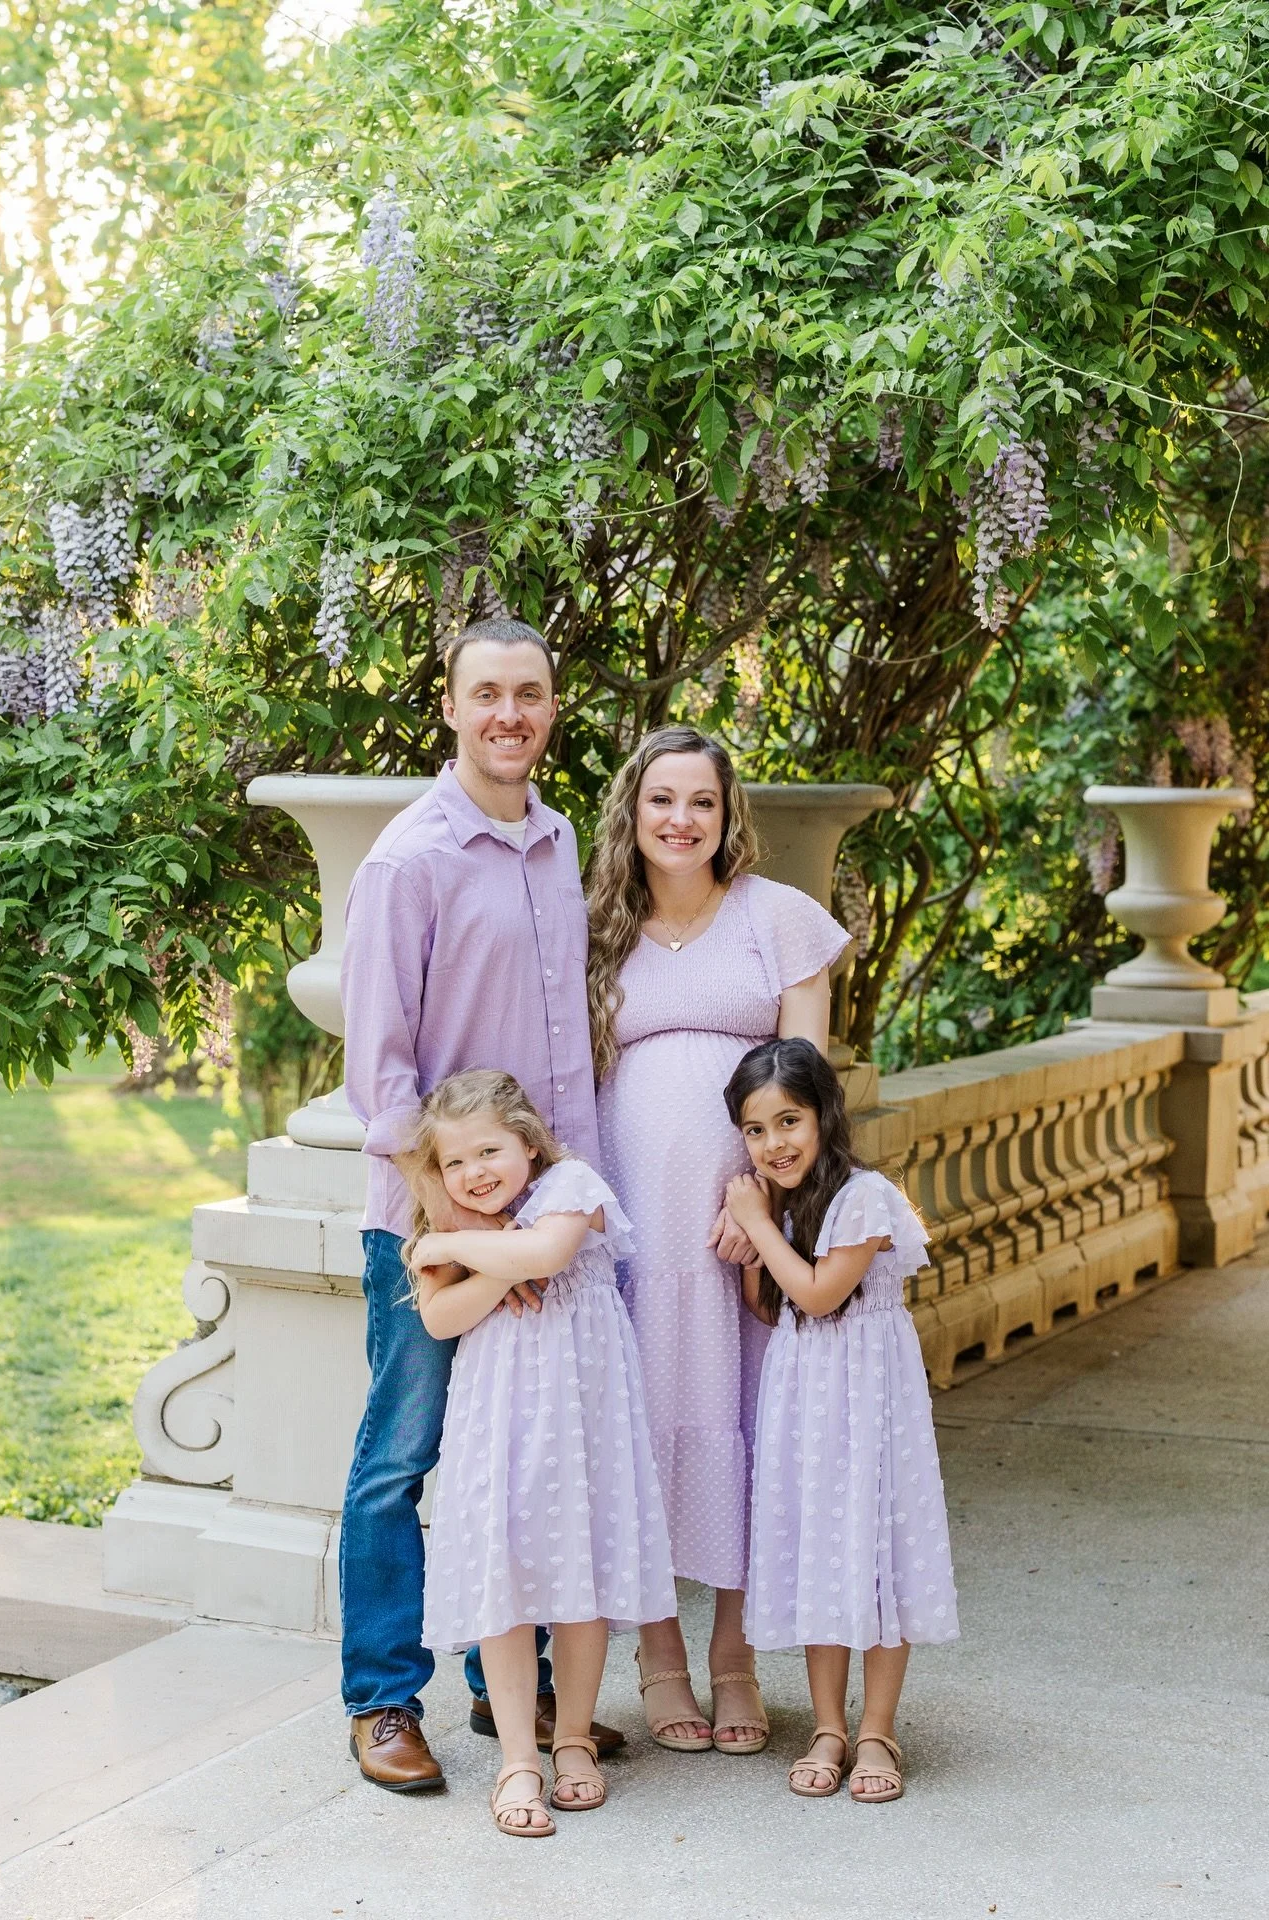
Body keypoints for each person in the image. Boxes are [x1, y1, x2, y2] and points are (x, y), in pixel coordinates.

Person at [339, 616, 622, 1792]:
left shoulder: (559, 845)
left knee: (530, 1458)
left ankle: (514, 1699)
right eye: (487, 693)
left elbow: (566, 1069)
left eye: (532, 693)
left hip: (544, 1219)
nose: (510, 713)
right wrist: (462, 1231)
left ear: (553, 707)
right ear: (449, 708)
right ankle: (383, 1697)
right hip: (434, 1225)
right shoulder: (408, 860)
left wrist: (565, 1217)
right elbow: (382, 1079)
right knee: (403, 1459)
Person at [589, 726, 850, 1754]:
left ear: (726, 812)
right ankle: (660, 1659)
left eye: (700, 801)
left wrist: (765, 1205)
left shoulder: (780, 921)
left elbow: (806, 1087)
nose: (680, 821)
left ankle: (735, 1658)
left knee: (751, 1428)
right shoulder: (598, 930)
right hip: (632, 1230)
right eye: (662, 801)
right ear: (634, 811)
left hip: (743, 1232)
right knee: (643, 1425)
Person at [406, 1070, 675, 1837]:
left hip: (583, 1417)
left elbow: (551, 1256)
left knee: (579, 1578)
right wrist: (495, 1262)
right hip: (500, 1419)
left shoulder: (573, 1184)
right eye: (455, 1163)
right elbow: (439, 1317)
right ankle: (518, 1756)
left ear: (526, 1141)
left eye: (489, 1150)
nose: (474, 1173)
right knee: (506, 1572)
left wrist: (456, 1244)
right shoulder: (469, 1217)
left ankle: (576, 1741)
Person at [723, 1037, 959, 1804]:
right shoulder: (782, 1202)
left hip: (870, 1397)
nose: (773, 1144)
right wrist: (758, 1239)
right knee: (824, 1549)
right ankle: (829, 1726)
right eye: (755, 1131)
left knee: (878, 1549)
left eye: (787, 1121)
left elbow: (822, 1294)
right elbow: (775, 1305)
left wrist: (755, 1223)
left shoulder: (865, 1195)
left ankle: (879, 1730)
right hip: (805, 1397)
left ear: (824, 1114)